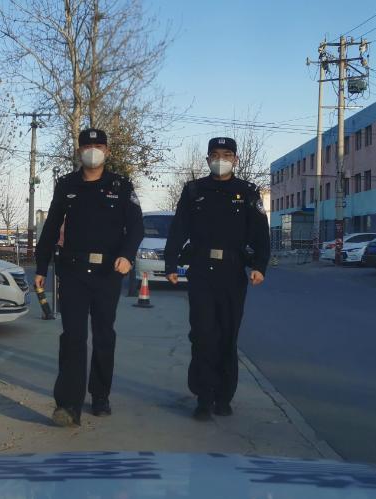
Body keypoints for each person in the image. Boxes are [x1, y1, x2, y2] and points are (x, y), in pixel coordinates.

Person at [34, 128, 144, 427]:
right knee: (73, 336)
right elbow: (51, 228)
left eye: (98, 146)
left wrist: (127, 255)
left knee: (104, 335)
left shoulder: (121, 186)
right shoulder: (66, 185)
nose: (92, 151)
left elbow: (136, 227)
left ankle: (100, 394)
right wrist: (41, 268)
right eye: (87, 146)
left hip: (108, 273)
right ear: (79, 150)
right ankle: (68, 404)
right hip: (72, 272)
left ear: (107, 151)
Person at [164, 137, 270, 421]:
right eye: (215, 154)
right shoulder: (194, 190)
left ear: (235, 159)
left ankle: (224, 397)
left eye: (226, 154)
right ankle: (203, 396)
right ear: (207, 158)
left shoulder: (247, 192)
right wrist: (170, 262)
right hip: (200, 272)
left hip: (233, 274)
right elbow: (178, 230)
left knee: (227, 336)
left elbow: (260, 232)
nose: (220, 159)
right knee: (202, 335)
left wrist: (260, 265)